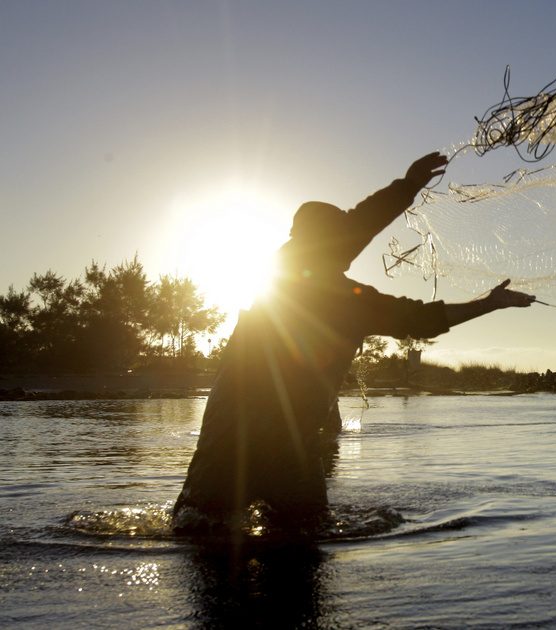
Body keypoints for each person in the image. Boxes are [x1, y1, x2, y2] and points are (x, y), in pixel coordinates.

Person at [173, 152, 535, 533]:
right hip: (286, 449)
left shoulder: (277, 274)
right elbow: (424, 319)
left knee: (198, 532)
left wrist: (407, 186)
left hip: (224, 440)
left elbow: (358, 225)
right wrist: (489, 304)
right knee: (302, 542)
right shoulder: (349, 301)